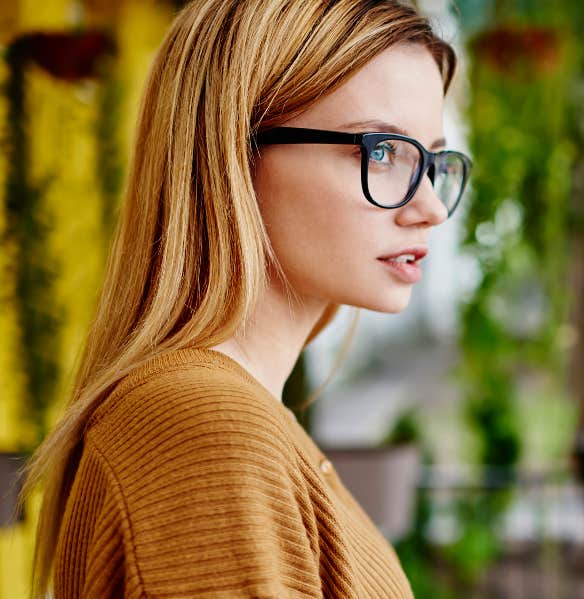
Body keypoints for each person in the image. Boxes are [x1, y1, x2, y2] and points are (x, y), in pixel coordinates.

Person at [16, 0, 470, 596]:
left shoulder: (235, 420)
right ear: (234, 151)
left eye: (433, 160)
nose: (431, 207)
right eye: (380, 151)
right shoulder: (207, 430)